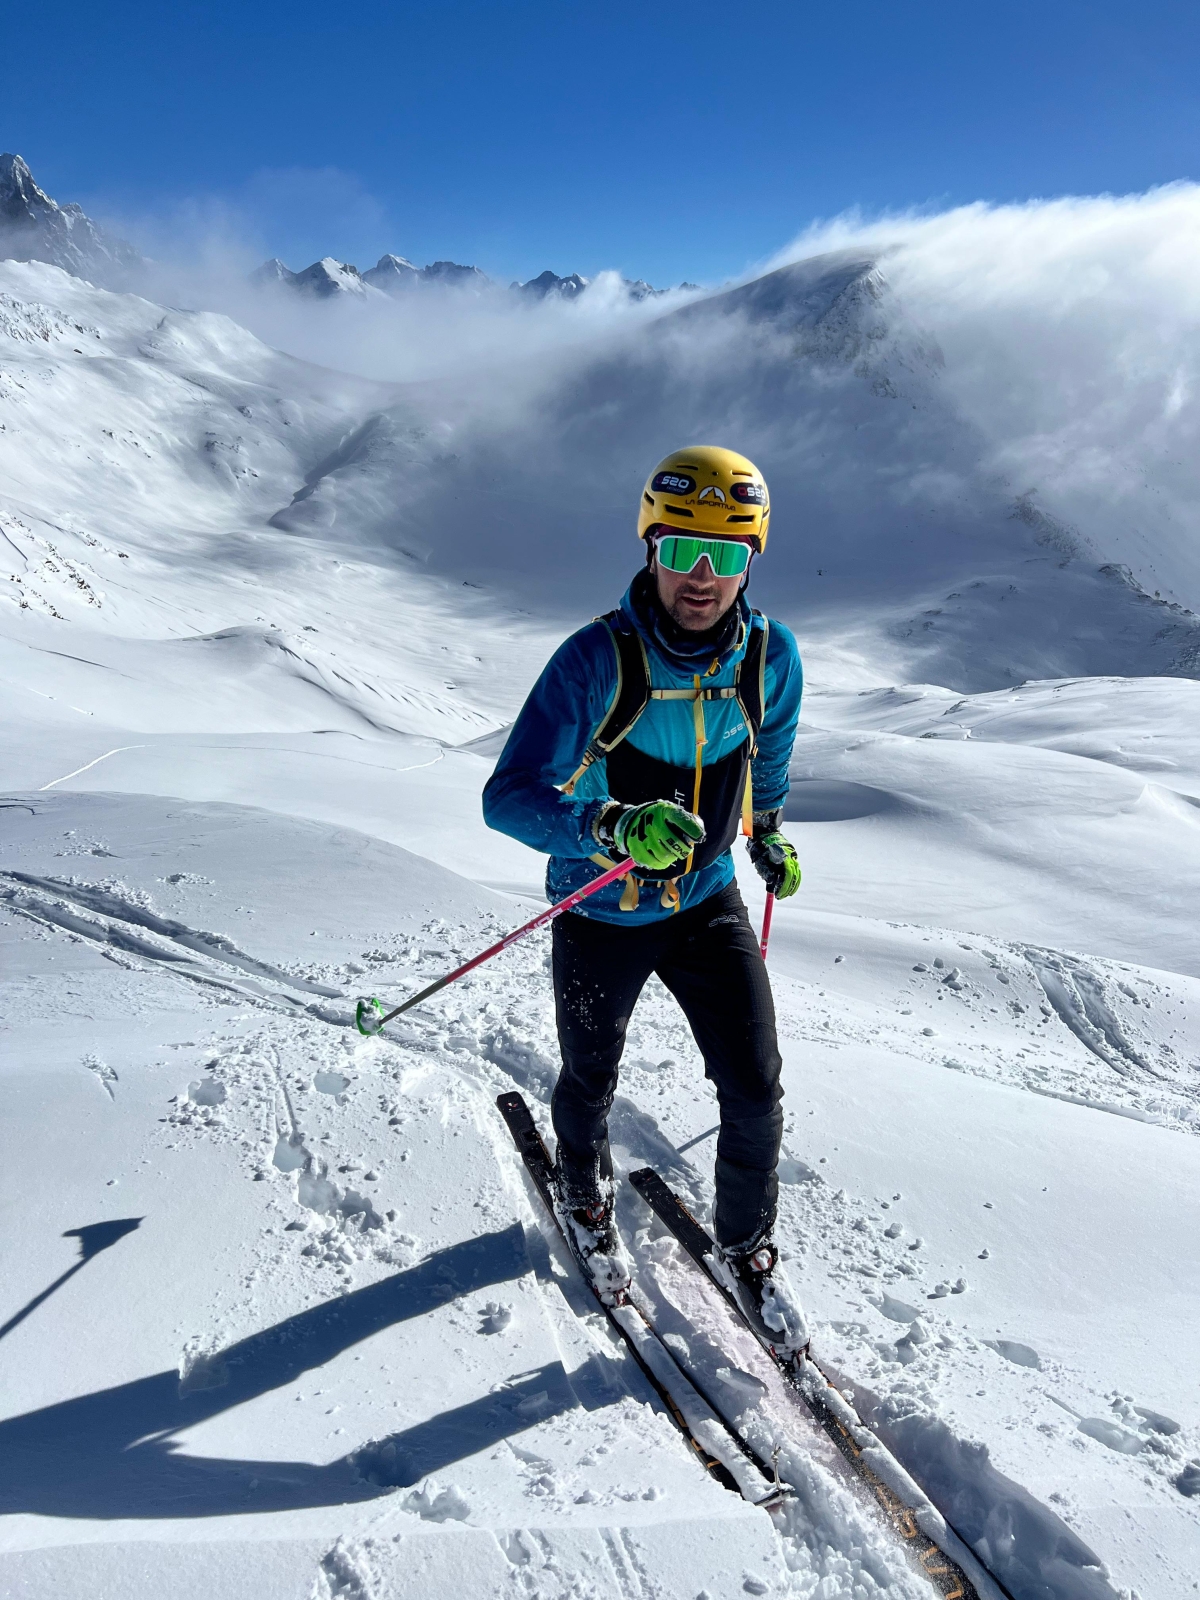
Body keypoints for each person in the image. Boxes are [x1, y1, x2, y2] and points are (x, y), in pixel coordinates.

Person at [483, 445, 807, 1352]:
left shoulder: (770, 655)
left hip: (707, 899)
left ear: (752, 559)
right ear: (649, 546)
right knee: (591, 1076)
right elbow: (507, 798)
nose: (701, 576)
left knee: (755, 1087)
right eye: (680, 550)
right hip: (603, 907)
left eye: (726, 553)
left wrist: (767, 829)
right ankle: (584, 1195)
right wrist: (611, 827)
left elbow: (771, 748)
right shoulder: (595, 660)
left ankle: (746, 1247)